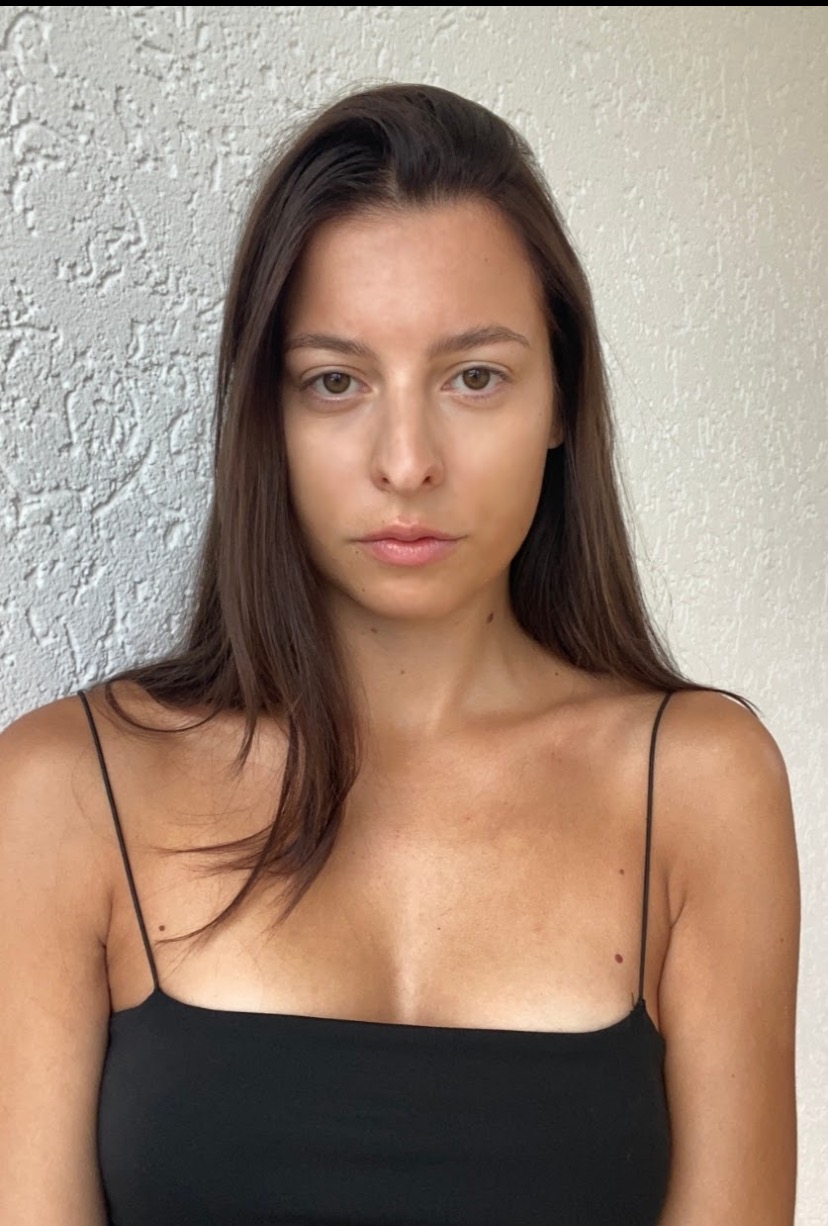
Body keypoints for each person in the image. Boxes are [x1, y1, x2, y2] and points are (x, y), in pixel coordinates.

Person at [0, 83, 799, 1226]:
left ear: (561, 399)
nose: (408, 460)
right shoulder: (64, 793)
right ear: (266, 415)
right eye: (337, 380)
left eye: (475, 375)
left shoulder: (701, 787)